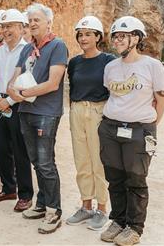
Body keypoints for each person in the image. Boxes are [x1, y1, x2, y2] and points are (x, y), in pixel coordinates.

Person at [98, 16, 164, 246]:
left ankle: (134, 227)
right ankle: (118, 221)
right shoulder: (110, 67)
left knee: (136, 179)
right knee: (115, 177)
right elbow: (112, 95)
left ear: (135, 38)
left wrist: (149, 126)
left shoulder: (152, 66)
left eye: (122, 36)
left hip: (139, 131)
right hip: (110, 128)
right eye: (115, 36)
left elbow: (161, 99)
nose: (117, 41)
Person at [9, 3, 68, 234]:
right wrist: (12, 90)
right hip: (26, 112)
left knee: (45, 163)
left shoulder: (57, 46)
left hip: (46, 112)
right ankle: (42, 204)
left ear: (48, 23)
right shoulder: (26, 49)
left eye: (37, 20)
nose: (32, 23)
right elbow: (15, 77)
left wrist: (21, 94)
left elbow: (53, 83)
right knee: (36, 162)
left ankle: (54, 211)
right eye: (30, 20)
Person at [66, 16, 116, 230]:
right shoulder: (75, 62)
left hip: (99, 110)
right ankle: (86, 205)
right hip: (77, 110)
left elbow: (114, 90)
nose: (83, 38)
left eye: (88, 34)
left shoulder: (108, 60)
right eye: (80, 34)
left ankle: (102, 209)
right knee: (81, 160)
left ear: (98, 37)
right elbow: (72, 88)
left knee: (98, 160)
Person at [0, 9, 34, 207]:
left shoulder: (28, 51)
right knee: (1, 148)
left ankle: (25, 195)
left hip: (18, 104)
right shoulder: (0, 51)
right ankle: (8, 189)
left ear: (21, 28)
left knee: (20, 150)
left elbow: (28, 83)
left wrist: (10, 101)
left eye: (10, 27)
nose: (6, 31)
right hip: (0, 103)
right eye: (4, 26)